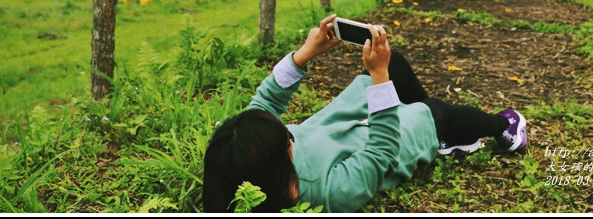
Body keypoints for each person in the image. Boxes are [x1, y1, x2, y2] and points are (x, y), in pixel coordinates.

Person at [202, 14, 527, 213]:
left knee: (394, 61)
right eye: (287, 137)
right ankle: (504, 127)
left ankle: (441, 133)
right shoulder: (332, 195)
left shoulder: (243, 160)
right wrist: (380, 78)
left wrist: (304, 54)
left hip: (341, 122)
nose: (288, 133)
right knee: (431, 111)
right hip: (383, 143)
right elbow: (380, 151)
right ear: (279, 163)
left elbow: (265, 104)